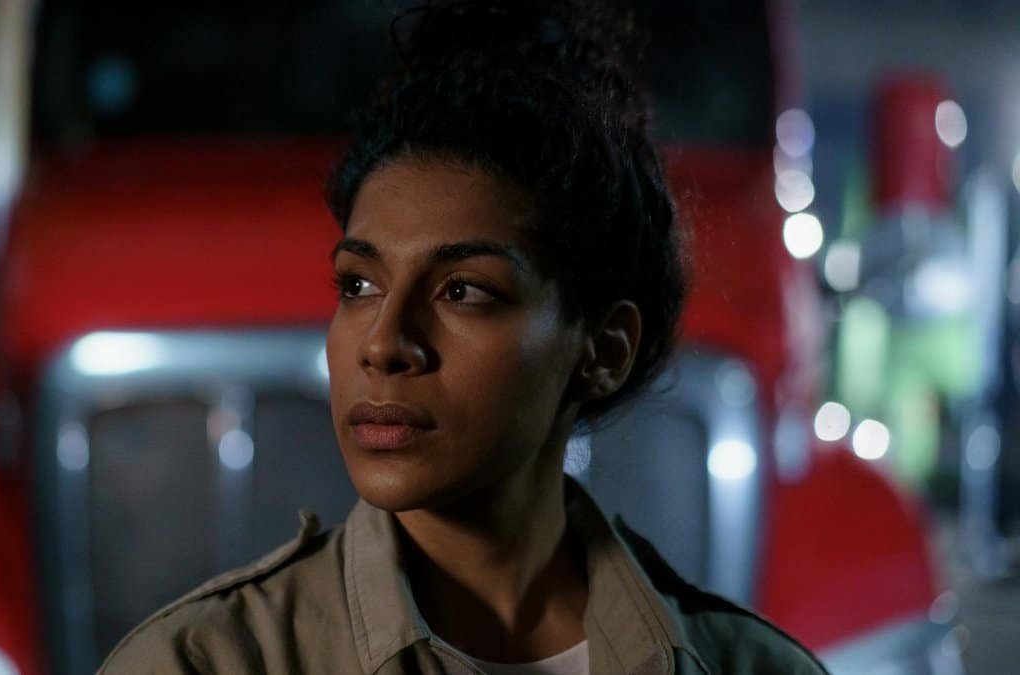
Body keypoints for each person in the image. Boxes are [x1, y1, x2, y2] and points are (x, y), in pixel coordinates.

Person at [101, 1, 828, 673]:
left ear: (603, 351)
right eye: (358, 286)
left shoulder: (749, 666)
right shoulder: (204, 662)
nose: (382, 344)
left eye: (464, 291)